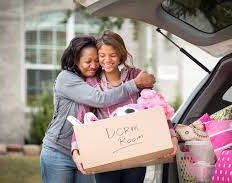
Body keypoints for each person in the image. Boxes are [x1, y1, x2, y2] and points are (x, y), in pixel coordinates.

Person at [40, 36, 155, 183]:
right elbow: (100, 99)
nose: (94, 65)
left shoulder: (94, 80)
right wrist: (135, 84)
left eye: (96, 60)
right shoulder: (66, 79)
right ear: (76, 60)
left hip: (87, 152)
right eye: (88, 61)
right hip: (59, 152)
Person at [71, 30, 178, 183]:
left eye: (113, 55)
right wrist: (76, 151)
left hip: (137, 151)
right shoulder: (92, 83)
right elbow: (82, 117)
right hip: (105, 155)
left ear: (121, 54)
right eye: (102, 55)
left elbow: (155, 106)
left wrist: (171, 135)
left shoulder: (135, 76)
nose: (107, 60)